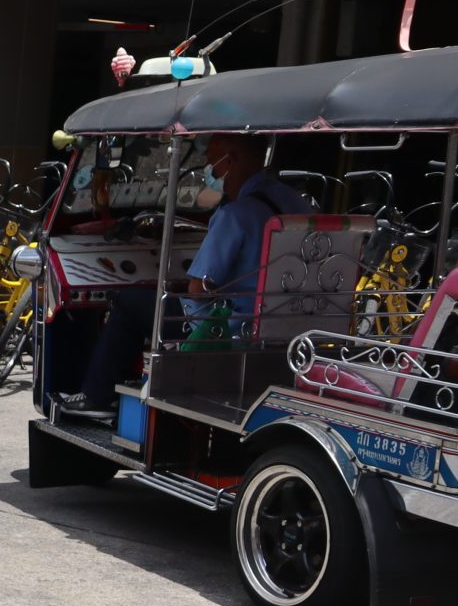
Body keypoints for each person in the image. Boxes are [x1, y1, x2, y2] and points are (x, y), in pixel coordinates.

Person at [59, 133, 310, 419]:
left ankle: (97, 397)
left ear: (231, 160)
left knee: (131, 300)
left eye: (211, 161)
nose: (208, 169)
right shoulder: (295, 202)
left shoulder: (236, 214)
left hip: (230, 333)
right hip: (290, 326)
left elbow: (198, 288)